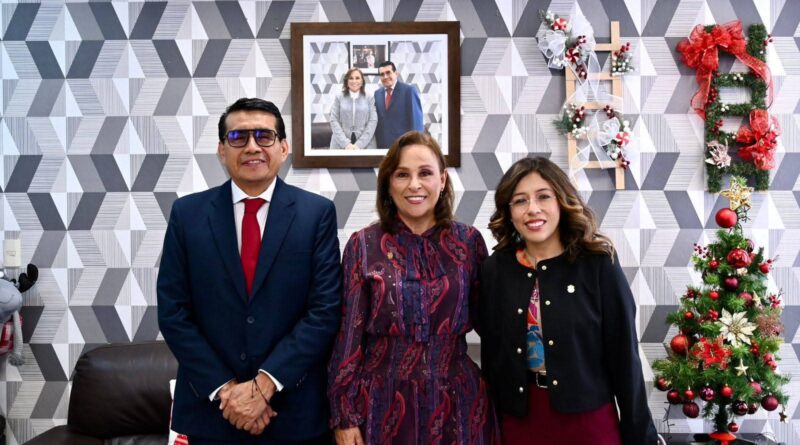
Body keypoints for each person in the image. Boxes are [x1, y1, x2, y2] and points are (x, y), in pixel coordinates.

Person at [157, 97, 342, 445]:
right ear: (221, 150)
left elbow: (325, 311)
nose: (252, 146)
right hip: (212, 414)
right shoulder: (187, 215)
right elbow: (173, 312)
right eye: (238, 137)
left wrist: (265, 385)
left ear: (283, 148)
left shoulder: (316, 214)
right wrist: (227, 391)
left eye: (264, 136)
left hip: (294, 414)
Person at [327, 131, 499, 445]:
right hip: (379, 401)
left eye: (425, 173)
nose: (414, 185)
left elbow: (493, 328)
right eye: (402, 174)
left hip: (458, 401)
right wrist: (344, 413)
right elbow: (348, 336)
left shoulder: (469, 242)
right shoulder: (363, 245)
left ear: (442, 180)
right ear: (388, 183)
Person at [478, 157, 659, 445]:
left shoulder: (598, 265)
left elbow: (625, 358)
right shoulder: (494, 269)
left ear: (562, 201)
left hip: (589, 421)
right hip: (519, 422)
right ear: (509, 211)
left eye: (543, 196)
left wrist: (640, 437)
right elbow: (492, 357)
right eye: (520, 200)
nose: (532, 209)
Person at [374, 61, 424, 148]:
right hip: (382, 147)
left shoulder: (409, 91)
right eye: (382, 74)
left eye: (388, 72)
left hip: (403, 146)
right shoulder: (377, 94)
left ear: (396, 73)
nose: (385, 77)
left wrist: (415, 146)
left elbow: (417, 123)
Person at [329, 68, 377, 150]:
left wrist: (360, 144)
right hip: (340, 144)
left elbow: (373, 121)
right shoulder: (338, 97)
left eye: (357, 78)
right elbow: (334, 120)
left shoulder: (370, 98)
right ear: (347, 82)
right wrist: (345, 144)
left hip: (366, 145)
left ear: (362, 82)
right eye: (351, 78)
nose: (354, 81)